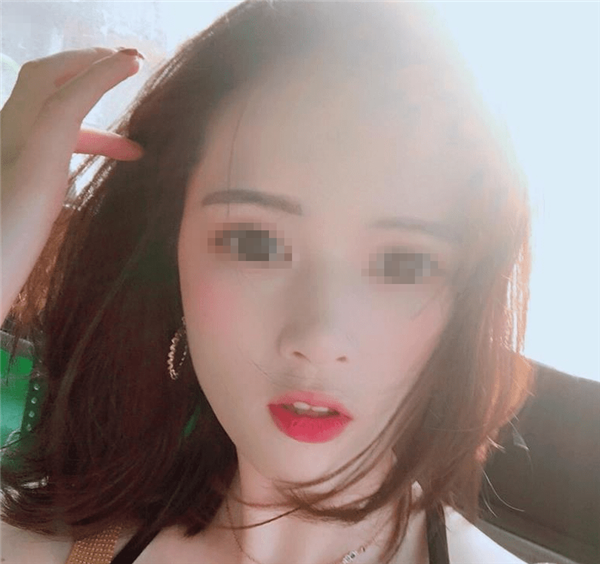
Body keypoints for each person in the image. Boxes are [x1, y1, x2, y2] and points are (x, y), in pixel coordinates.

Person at [0, 1, 542, 563]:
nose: (319, 338)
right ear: (171, 254)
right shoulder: (48, 547)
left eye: (403, 264)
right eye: (254, 243)